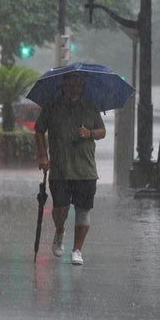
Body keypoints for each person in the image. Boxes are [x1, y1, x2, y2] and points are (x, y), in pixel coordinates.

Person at [34, 72, 106, 265]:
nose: (74, 88)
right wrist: (43, 156)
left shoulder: (90, 107)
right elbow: (39, 130)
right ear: (63, 86)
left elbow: (102, 132)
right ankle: (59, 231)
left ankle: (77, 250)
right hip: (60, 168)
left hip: (86, 170)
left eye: (77, 85)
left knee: (83, 210)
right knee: (60, 208)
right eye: (70, 85)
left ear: (81, 86)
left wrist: (89, 133)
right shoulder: (52, 107)